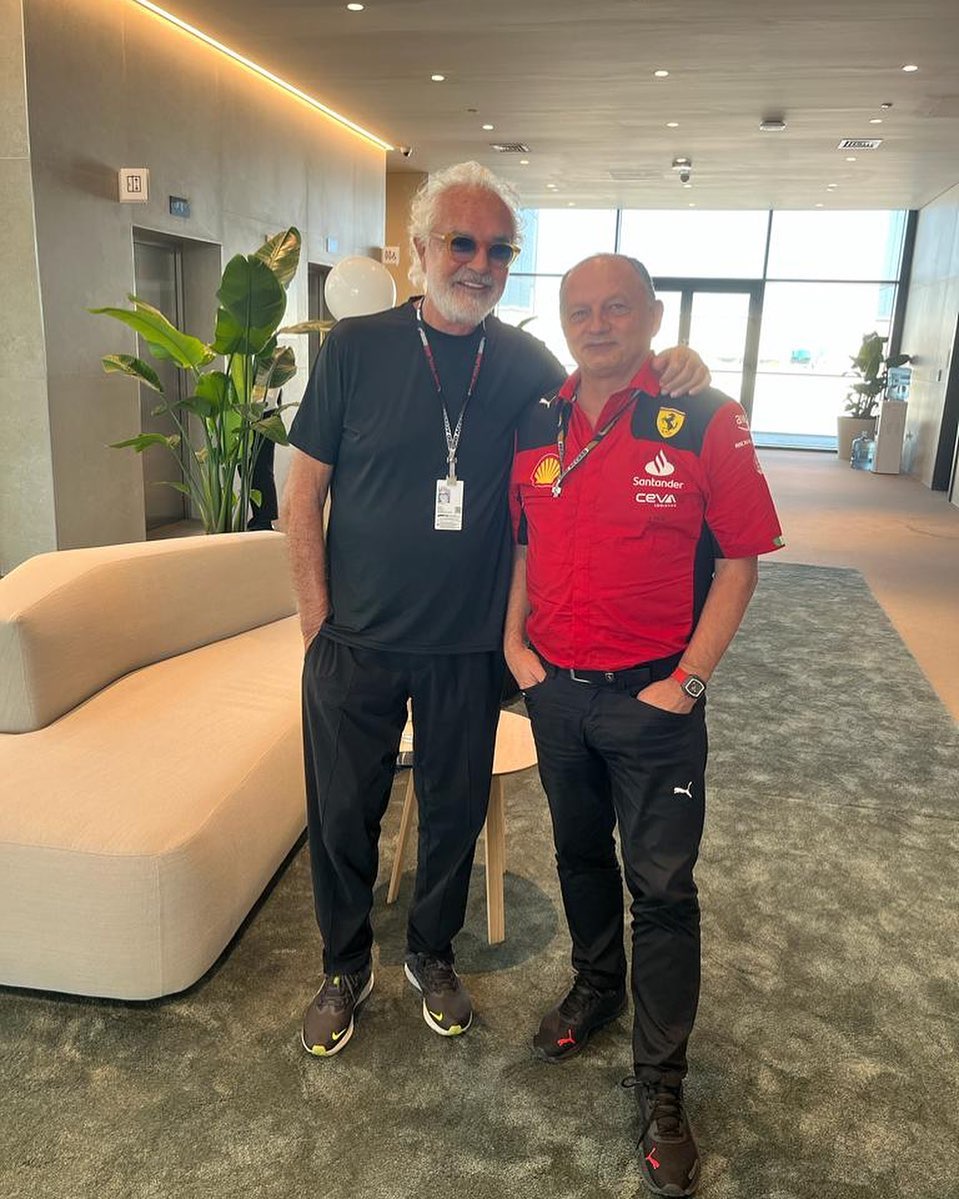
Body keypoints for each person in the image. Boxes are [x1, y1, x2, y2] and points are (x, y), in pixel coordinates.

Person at [280, 164, 709, 1060]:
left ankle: (430, 952)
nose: (478, 262)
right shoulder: (355, 348)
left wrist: (678, 366)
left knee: (450, 809)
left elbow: (606, 385)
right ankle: (343, 963)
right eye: (460, 243)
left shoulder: (523, 361)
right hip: (352, 640)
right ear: (420, 250)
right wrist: (316, 622)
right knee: (341, 811)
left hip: (465, 645)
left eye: (497, 249)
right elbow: (303, 490)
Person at [505, 254, 783, 1196]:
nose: (597, 323)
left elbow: (740, 560)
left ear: (651, 315)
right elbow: (520, 542)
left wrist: (690, 682)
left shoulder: (703, 416)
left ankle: (662, 1086)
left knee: (660, 888)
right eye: (579, 310)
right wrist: (515, 647)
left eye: (616, 307)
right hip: (556, 690)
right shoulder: (537, 420)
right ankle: (595, 984)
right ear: (563, 320)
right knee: (578, 855)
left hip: (654, 699)